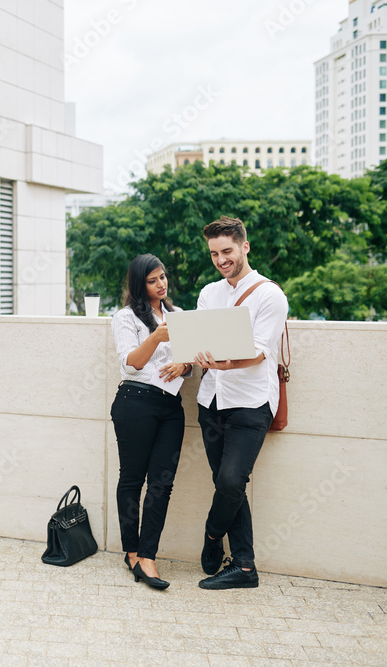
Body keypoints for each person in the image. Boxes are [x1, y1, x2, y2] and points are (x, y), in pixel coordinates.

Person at [194, 216, 288, 590]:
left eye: (227, 251)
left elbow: (261, 352)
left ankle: (213, 534)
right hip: (211, 399)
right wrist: (191, 357)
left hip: (251, 401)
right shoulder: (208, 294)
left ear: (245, 247)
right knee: (225, 483)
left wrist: (226, 362)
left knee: (232, 480)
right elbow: (198, 337)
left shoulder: (270, 295)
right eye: (215, 253)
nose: (221, 259)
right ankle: (245, 567)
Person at [110, 254, 191, 590]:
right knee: (132, 478)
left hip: (171, 406)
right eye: (153, 280)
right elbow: (131, 363)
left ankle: (148, 556)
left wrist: (183, 366)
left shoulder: (179, 316)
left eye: (163, 277)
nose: (162, 284)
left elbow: (192, 357)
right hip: (135, 401)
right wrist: (157, 336)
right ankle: (132, 551)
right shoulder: (125, 317)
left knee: (162, 483)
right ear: (139, 284)